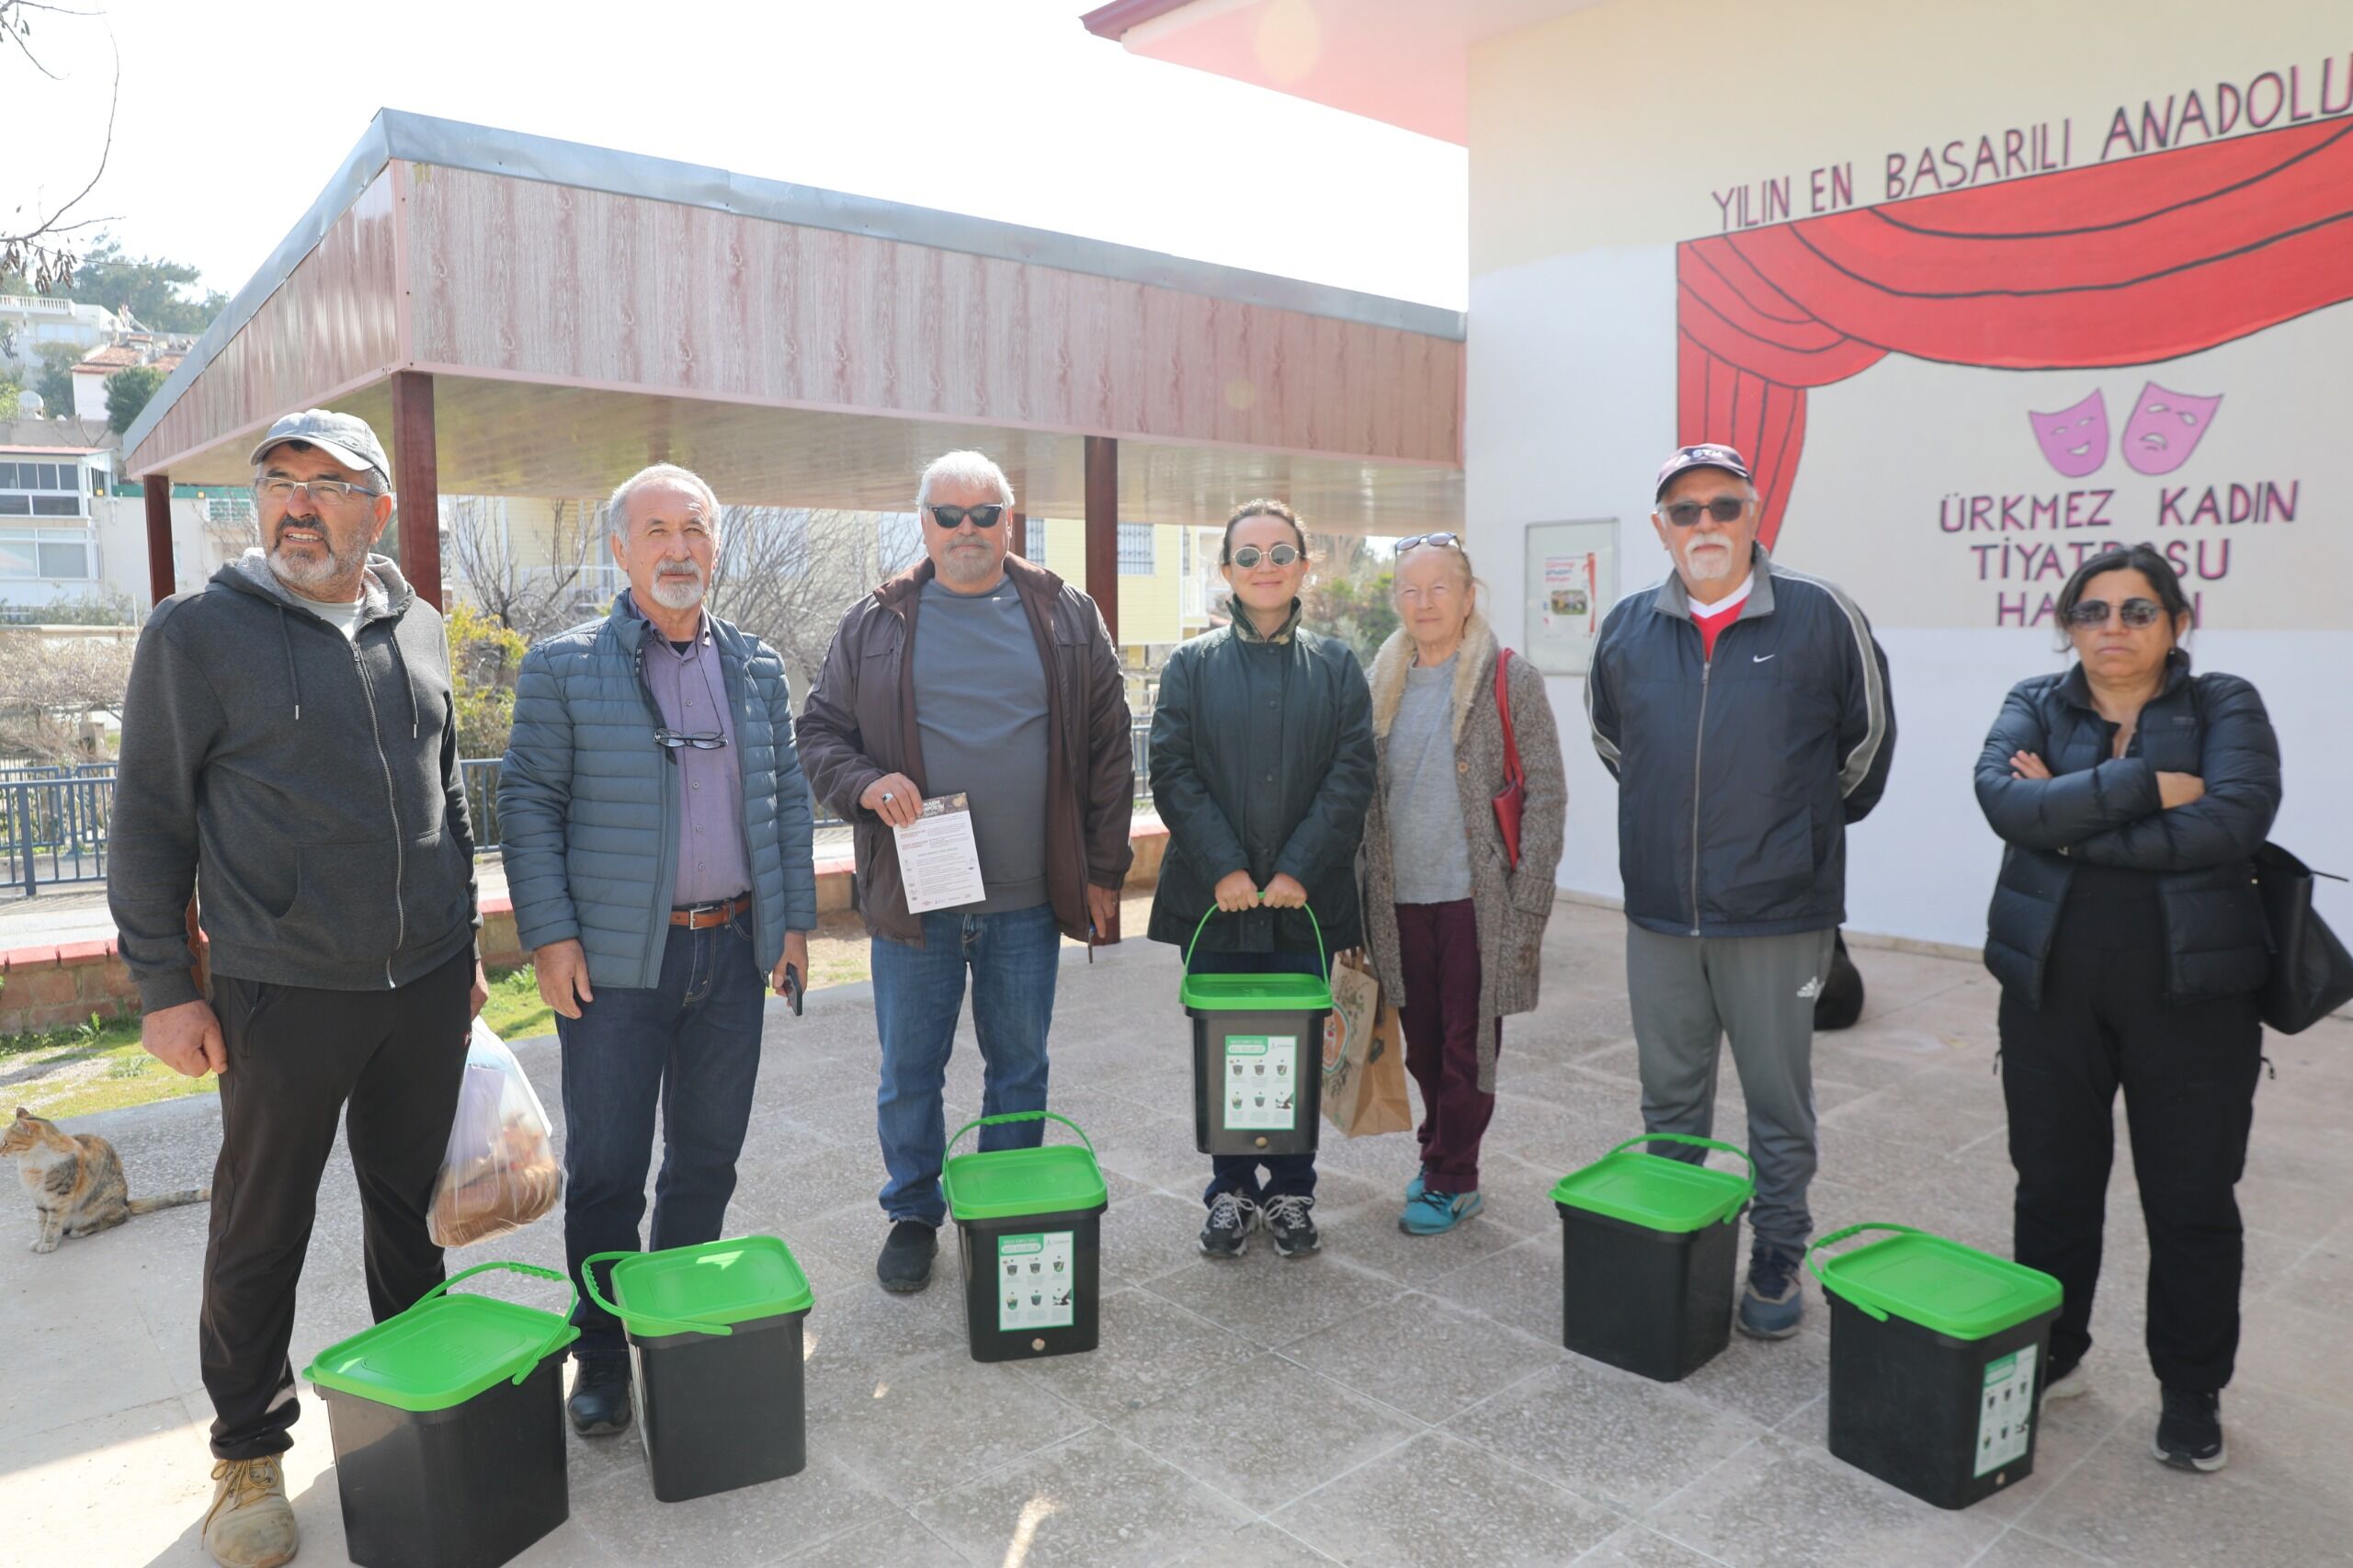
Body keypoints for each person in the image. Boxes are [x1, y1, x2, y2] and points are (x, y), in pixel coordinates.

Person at [107, 409, 488, 1568]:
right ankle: (246, 1450)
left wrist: (464, 935)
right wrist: (166, 985)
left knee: (411, 1213)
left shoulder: (419, 623)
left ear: (378, 507)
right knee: (262, 1220)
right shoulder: (196, 634)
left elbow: (445, 790)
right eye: (279, 481)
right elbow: (150, 818)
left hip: (424, 983)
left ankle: (415, 1394)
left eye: (327, 483)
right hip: (281, 989)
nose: (299, 504)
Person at [499, 462, 816, 1437]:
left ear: (715, 545)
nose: (679, 549)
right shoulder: (564, 666)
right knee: (607, 1168)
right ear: (620, 549)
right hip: (616, 965)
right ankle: (600, 1350)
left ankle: (671, 1329)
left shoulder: (758, 667)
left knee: (708, 1157)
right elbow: (527, 804)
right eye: (658, 531)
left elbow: (787, 802)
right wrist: (550, 936)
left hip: (733, 952)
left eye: (695, 529)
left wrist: (793, 922)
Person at [1974, 543, 2278, 1474]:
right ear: (2068, 625)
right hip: (2049, 991)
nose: (2113, 627)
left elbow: (2233, 820)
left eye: (2138, 610)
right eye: (2093, 610)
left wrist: (2067, 823)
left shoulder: (2224, 704)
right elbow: (2003, 804)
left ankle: (2191, 1386)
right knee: (2052, 1186)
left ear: (2177, 623)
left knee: (2191, 1198)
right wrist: (2144, 787)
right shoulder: (2034, 700)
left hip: (2194, 999)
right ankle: (2053, 1350)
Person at [797, 450, 1132, 1293]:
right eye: (949, 515)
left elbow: (1108, 748)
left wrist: (1103, 870)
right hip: (917, 902)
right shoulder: (875, 621)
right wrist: (866, 784)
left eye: (985, 513)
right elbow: (819, 733)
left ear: (1008, 521)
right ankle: (913, 1213)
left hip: (1028, 900)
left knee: (1019, 1067)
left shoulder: (1066, 613)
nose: (967, 529)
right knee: (909, 1071)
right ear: (924, 525)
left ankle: (1004, 1206)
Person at [1586, 442, 1894, 1338]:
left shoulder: (1821, 614)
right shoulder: (1626, 628)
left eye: (1724, 505)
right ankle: (1677, 1239)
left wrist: (1792, 833)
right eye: (1685, 511)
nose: (1706, 524)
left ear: (1754, 514)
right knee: (1669, 1098)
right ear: (1661, 528)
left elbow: (1864, 749)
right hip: (1661, 916)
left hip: (1779, 919)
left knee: (1777, 1097)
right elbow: (1616, 744)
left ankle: (1777, 1251)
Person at [1149, 499, 1375, 1258]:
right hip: (1216, 903)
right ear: (1226, 571)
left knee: (1293, 1050)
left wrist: (1298, 870)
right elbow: (1172, 771)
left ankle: (1291, 1191)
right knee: (1229, 1051)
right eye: (1248, 555)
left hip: (1303, 904)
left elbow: (1352, 774)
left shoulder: (1337, 666)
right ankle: (1231, 1190)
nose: (1265, 567)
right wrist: (1224, 867)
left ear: (1305, 566)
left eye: (1281, 553)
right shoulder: (1191, 665)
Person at [1359, 534, 1566, 1234]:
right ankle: (1438, 1154)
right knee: (1421, 1046)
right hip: (1398, 903)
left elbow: (1546, 795)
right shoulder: (1378, 682)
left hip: (1476, 902)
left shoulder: (1509, 678)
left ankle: (1453, 1175)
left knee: (1466, 1047)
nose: (1424, 602)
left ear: (1469, 596)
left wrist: (1528, 901)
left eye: (1439, 588)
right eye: (1410, 590)